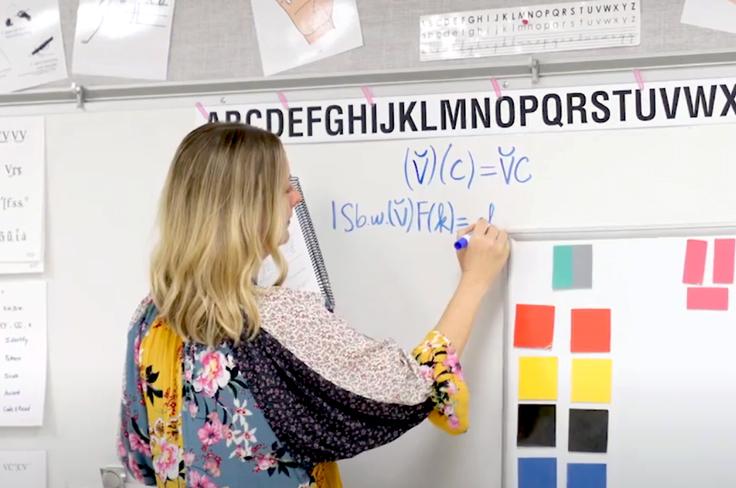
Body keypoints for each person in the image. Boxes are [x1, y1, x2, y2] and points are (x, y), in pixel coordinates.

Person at [118, 123, 510, 488]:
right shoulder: (276, 318)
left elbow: (138, 458)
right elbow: (414, 385)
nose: (297, 197)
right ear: (248, 208)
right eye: (283, 187)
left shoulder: (150, 319)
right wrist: (475, 282)